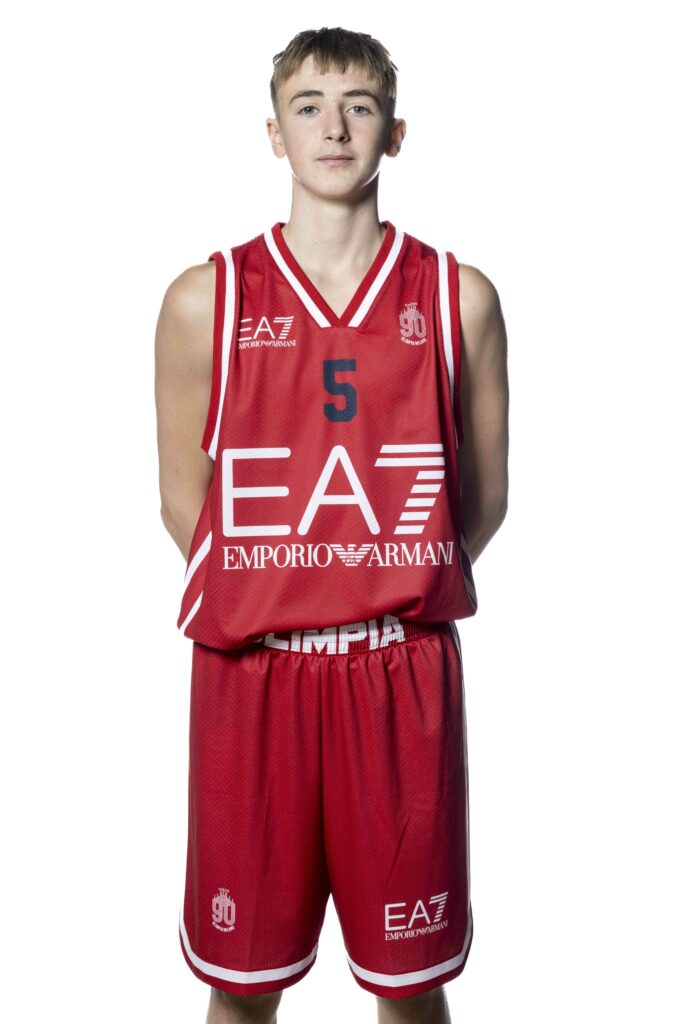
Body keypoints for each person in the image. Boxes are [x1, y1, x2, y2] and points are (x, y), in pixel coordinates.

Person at [155, 25, 509, 1024]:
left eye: (359, 106)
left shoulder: (458, 298)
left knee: (411, 986)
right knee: (241, 985)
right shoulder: (205, 299)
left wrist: (371, 580)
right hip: (254, 677)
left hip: (398, 676)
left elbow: (478, 501)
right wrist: (291, 585)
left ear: (394, 132)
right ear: (274, 134)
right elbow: (187, 502)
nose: (334, 128)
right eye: (307, 107)